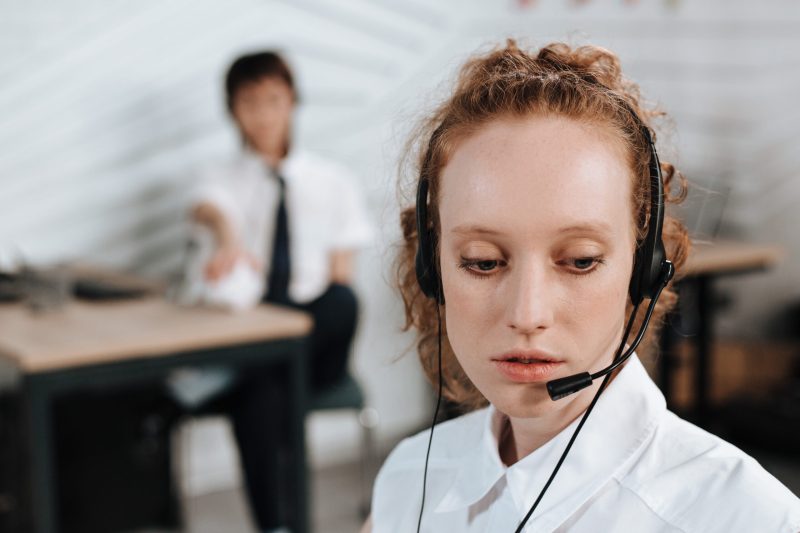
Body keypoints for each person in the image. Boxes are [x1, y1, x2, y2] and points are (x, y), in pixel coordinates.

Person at [366, 41, 800, 532]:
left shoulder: (747, 517)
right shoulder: (408, 481)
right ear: (431, 268)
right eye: (483, 262)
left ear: (644, 270)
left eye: (580, 261)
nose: (527, 314)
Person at [188, 51, 373, 532]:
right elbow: (208, 209)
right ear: (233, 110)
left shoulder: (333, 180)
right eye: (250, 102)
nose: (264, 114)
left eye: (274, 99)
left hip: (316, 344)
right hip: (257, 335)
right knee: (266, 393)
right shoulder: (220, 178)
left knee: (341, 302)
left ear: (292, 102)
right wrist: (230, 238)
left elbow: (341, 277)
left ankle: (238, 375)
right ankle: (281, 525)